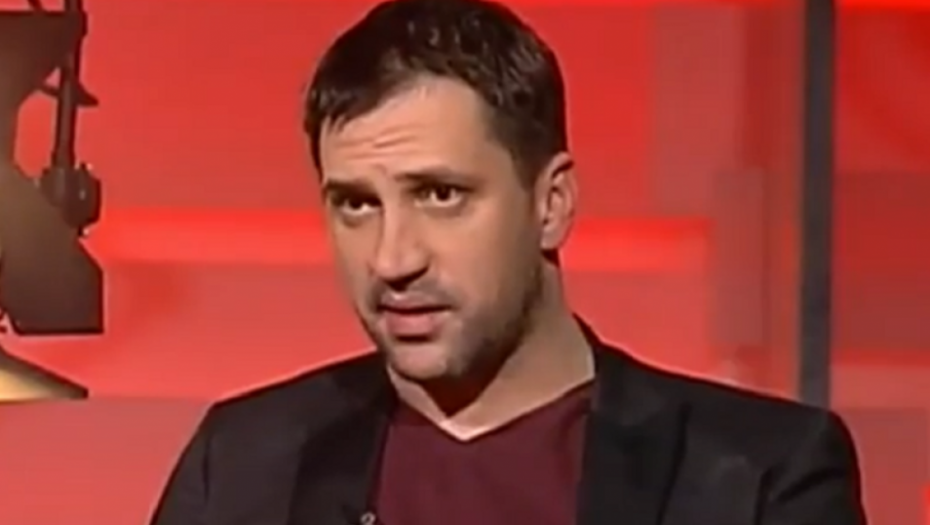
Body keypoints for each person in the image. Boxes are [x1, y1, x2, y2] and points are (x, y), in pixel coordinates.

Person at [150, 0, 867, 524]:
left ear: (551, 203)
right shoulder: (242, 465)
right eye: (357, 204)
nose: (393, 259)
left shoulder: (757, 476)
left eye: (440, 194)